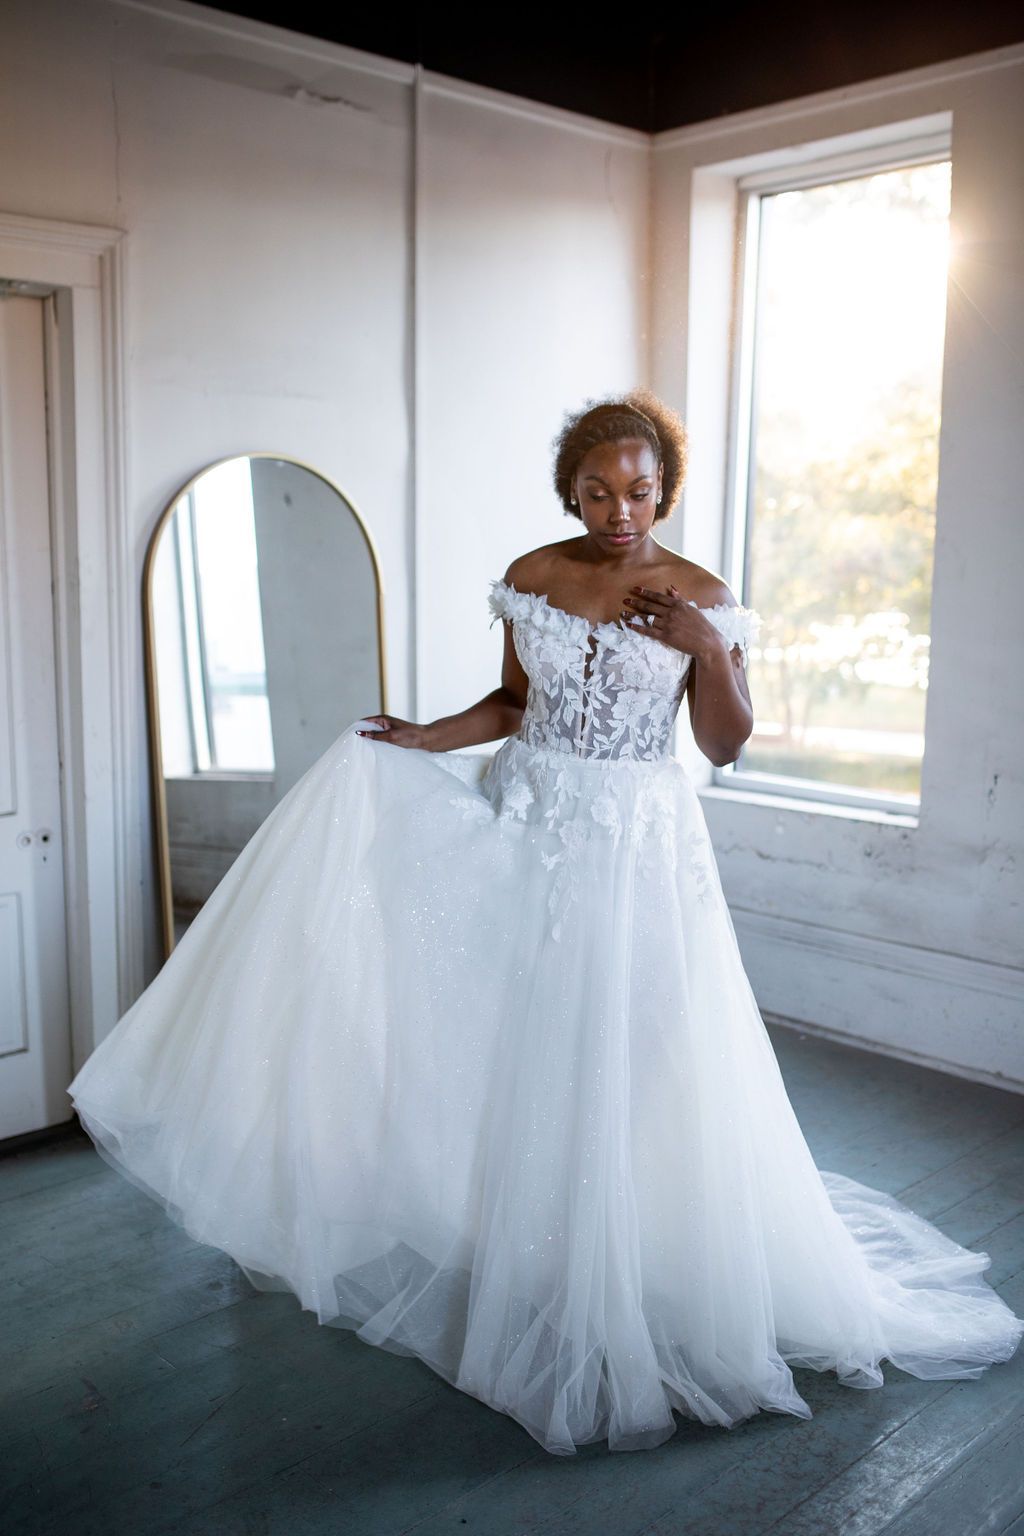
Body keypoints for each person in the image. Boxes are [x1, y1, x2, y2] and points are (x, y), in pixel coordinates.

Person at [68, 390, 1023, 1457]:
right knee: (516, 1040)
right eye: (600, 491)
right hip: (527, 823)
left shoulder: (698, 592)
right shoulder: (533, 575)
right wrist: (426, 738)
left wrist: (709, 647)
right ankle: (529, 1243)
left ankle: (620, 1261)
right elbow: (514, 706)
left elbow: (724, 744)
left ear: (666, 490)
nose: (622, 512)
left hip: (634, 846)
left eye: (642, 491)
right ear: (570, 489)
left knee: (632, 1053)